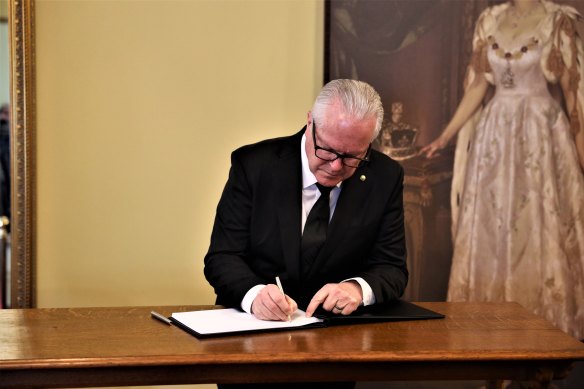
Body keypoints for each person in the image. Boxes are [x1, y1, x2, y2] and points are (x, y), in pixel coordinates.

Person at [421, 0, 584, 340]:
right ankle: (488, 333)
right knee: (492, 230)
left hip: (540, 137)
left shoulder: (556, 21)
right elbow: (479, 87)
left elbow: (572, 95)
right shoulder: (490, 20)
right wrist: (444, 137)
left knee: (535, 224)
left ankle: (540, 332)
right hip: (494, 138)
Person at [204, 79, 408, 324]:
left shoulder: (385, 176)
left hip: (340, 332)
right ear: (310, 122)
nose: (336, 166)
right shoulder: (255, 166)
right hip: (255, 327)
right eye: (327, 150)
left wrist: (357, 289)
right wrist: (255, 295)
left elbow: (392, 267)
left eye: (353, 156)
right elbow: (222, 257)